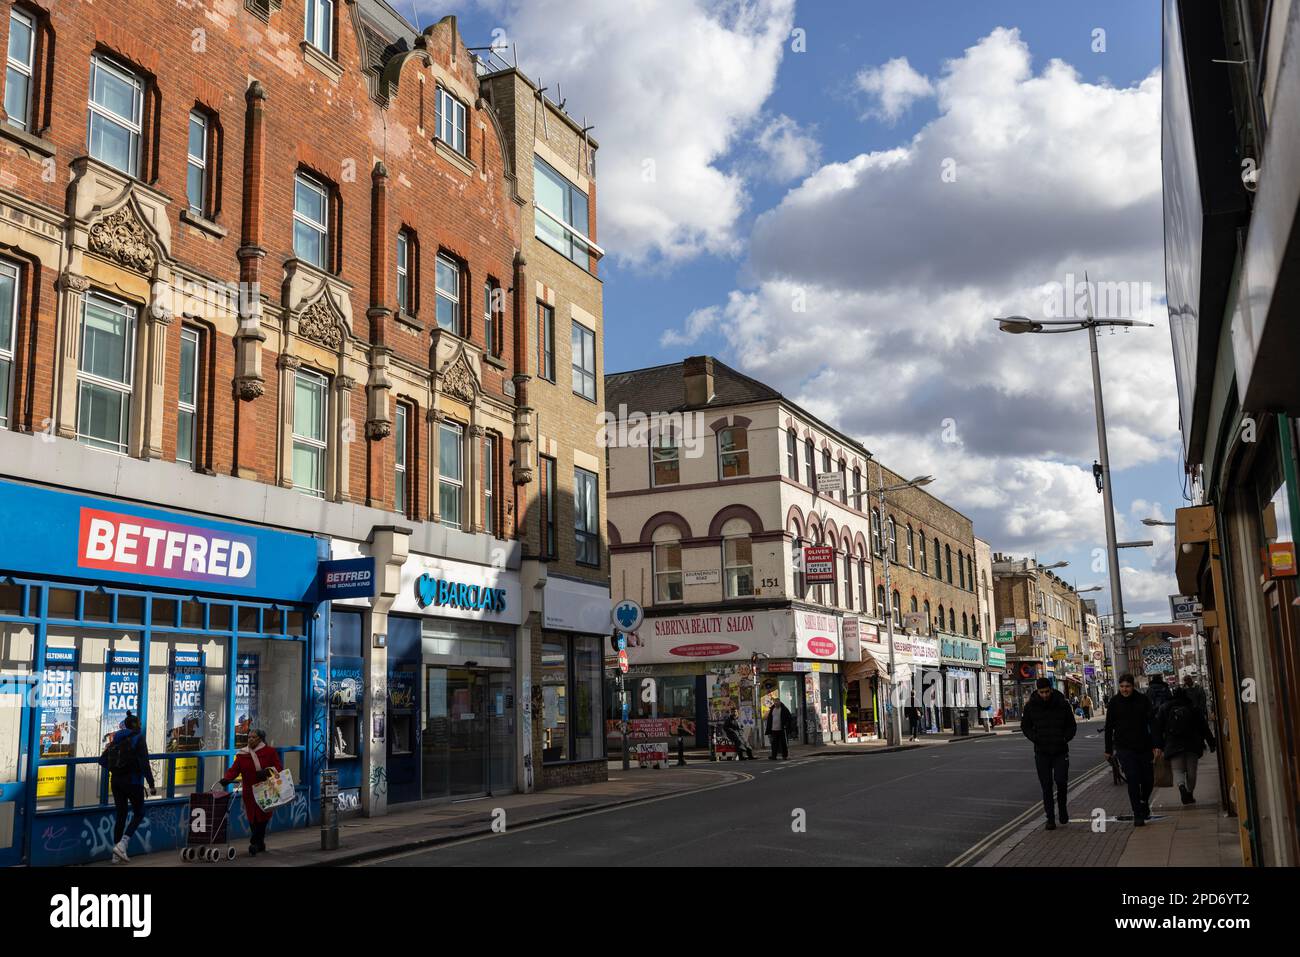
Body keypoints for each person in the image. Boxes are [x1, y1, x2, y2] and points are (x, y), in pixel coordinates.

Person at [213, 727, 283, 855]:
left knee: (264, 816)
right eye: (249, 737)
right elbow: (234, 769)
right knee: (252, 817)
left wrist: (267, 772)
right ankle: (259, 843)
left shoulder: (269, 752)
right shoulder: (242, 754)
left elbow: (279, 767)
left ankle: (255, 842)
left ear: (260, 739)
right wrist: (226, 779)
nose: (250, 739)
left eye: (253, 737)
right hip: (249, 792)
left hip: (266, 789)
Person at [99, 712, 156, 863]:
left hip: (116, 782)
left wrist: (118, 770)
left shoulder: (116, 738)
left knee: (121, 815)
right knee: (139, 812)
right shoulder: (138, 738)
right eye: (139, 724)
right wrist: (151, 784)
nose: (141, 726)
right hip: (133, 781)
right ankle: (123, 843)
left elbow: (103, 760)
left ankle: (115, 855)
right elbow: (145, 763)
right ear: (136, 725)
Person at [1020, 678, 1077, 830]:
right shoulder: (1031, 706)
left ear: (1051, 690)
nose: (1044, 695)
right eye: (1041, 692)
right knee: (1046, 786)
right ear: (1037, 691)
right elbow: (1025, 726)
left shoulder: (1062, 704)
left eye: (1046, 692)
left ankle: (1063, 810)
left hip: (1060, 751)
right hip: (1042, 752)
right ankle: (1050, 818)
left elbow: (1072, 726)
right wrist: (1035, 738)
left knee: (1061, 781)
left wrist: (1065, 738)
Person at [1105, 673, 1158, 825]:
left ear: (1133, 686)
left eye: (1127, 686)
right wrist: (1108, 749)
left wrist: (1156, 744)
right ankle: (1137, 814)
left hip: (1144, 746)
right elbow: (1109, 728)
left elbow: (1153, 722)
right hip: (1124, 748)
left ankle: (1143, 801)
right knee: (1133, 779)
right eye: (1122, 686)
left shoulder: (1143, 700)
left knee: (1148, 780)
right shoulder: (1114, 703)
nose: (1124, 689)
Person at [1154, 686, 1216, 804]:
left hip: (1173, 743)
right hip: (1192, 743)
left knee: (1178, 770)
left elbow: (1158, 728)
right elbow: (1203, 727)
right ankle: (1190, 794)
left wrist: (1159, 745)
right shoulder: (1193, 707)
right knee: (1191, 772)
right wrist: (1211, 742)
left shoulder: (1165, 708)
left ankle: (1181, 787)